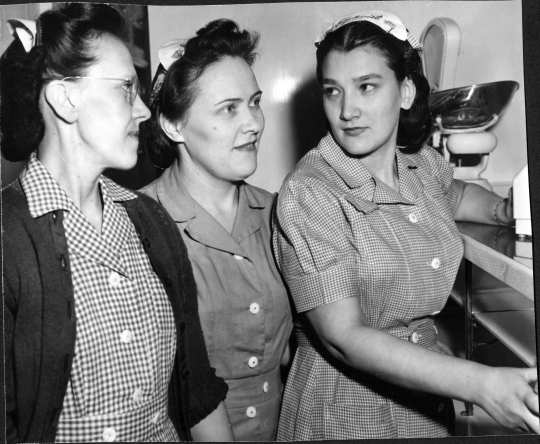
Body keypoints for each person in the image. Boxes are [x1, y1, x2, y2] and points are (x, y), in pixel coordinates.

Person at [272, 10, 539, 440]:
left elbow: (455, 196)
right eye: (332, 91)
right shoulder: (310, 192)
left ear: (406, 90)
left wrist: (504, 213)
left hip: (424, 409)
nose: (347, 110)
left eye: (367, 86)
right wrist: (479, 383)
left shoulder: (418, 165)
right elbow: (344, 336)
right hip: (342, 413)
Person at [2, 3, 234, 442]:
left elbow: (197, 390)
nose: (145, 111)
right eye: (126, 88)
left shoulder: (151, 222)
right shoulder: (8, 238)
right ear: (64, 98)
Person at [139, 19, 293, 441]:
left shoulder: (280, 211)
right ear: (173, 125)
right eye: (229, 108)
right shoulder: (137, 222)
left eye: (255, 102)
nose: (254, 124)